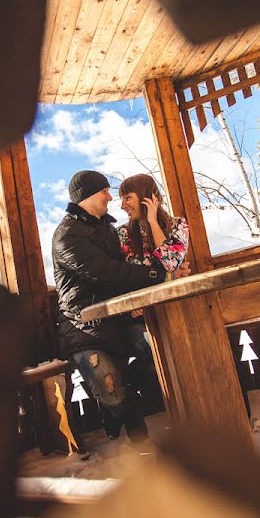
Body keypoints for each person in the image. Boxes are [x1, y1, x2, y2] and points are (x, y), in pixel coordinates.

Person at [52, 170, 178, 444]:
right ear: (87, 196)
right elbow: (106, 272)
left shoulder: (110, 231)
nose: (111, 198)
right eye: (105, 192)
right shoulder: (67, 236)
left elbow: (131, 267)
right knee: (112, 391)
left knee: (163, 352)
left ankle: (128, 386)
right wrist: (157, 276)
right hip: (83, 328)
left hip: (119, 320)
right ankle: (129, 415)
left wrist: (154, 282)